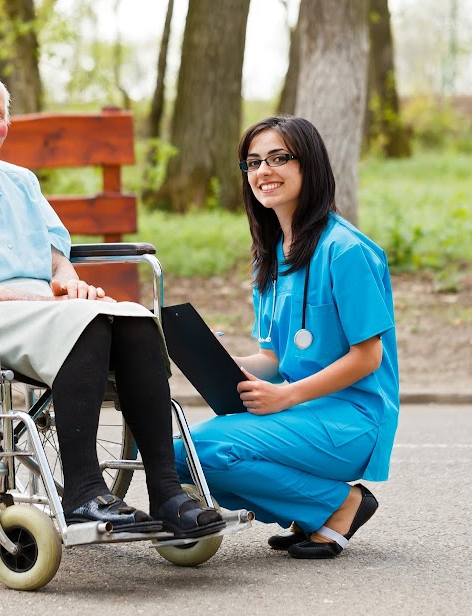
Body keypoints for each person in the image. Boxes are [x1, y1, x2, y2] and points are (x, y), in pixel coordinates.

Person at [0, 65, 224, 539]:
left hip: (40, 309)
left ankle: (168, 493)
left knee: (132, 319)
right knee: (84, 324)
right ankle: (83, 493)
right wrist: (45, 301)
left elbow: (55, 256)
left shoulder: (21, 181)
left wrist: (70, 285)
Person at [173, 115, 399, 559]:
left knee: (202, 449)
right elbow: (273, 358)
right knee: (179, 455)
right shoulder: (271, 256)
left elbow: (368, 356)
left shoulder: (348, 251)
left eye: (279, 158)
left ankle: (339, 505)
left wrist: (287, 397)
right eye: (253, 162)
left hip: (351, 419)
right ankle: (318, 507)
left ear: (308, 165)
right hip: (300, 412)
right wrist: (218, 361)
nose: (263, 171)